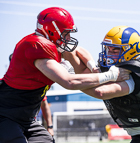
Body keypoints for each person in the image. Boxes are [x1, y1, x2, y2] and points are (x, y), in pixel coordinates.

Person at [0, 7, 130, 143]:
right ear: (52, 30)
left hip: (25, 119)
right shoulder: (36, 45)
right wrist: (112, 75)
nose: (69, 38)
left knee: (46, 140)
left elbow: (78, 51)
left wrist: (93, 67)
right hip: (5, 115)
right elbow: (69, 82)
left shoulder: (53, 46)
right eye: (66, 33)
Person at [9, 53, 54, 136]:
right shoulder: (4, 84)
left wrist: (50, 127)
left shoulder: (34, 85)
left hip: (28, 125)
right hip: (9, 125)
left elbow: (44, 105)